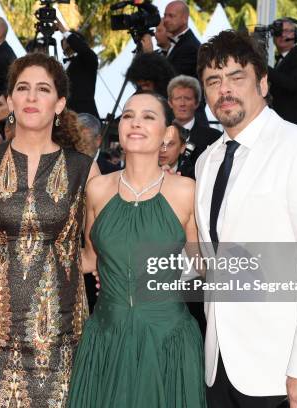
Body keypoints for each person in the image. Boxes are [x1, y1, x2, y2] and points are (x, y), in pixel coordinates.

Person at [196, 30, 297, 408]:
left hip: (286, 371)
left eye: (236, 77)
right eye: (214, 81)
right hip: (221, 365)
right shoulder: (207, 160)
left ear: (263, 82)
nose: (224, 90)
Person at [0, 52, 99, 407]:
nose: (31, 97)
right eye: (23, 88)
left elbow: (94, 256)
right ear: (10, 99)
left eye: (43, 89)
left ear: (59, 103)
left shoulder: (84, 170)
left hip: (60, 334)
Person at [67, 91, 205, 408]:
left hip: (166, 339)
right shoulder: (97, 188)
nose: (135, 123)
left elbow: (203, 264)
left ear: (168, 133)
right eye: (128, 115)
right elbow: (88, 260)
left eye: (148, 116)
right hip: (106, 336)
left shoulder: (186, 190)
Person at [167, 75, 221, 178]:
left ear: (197, 103)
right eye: (178, 98)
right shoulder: (158, 135)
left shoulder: (214, 138)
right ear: (170, 102)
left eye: (187, 98)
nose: (182, 103)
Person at [57, 20, 99, 118]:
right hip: (65, 118)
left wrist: (64, 31)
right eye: (64, 39)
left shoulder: (88, 60)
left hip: (84, 116)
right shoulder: (58, 65)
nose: (66, 41)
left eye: (69, 39)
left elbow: (84, 50)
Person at [163, 1, 200, 78]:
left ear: (185, 19)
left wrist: (149, 55)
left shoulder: (190, 47)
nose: (165, 20)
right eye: (165, 15)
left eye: (171, 16)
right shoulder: (178, 42)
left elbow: (171, 79)